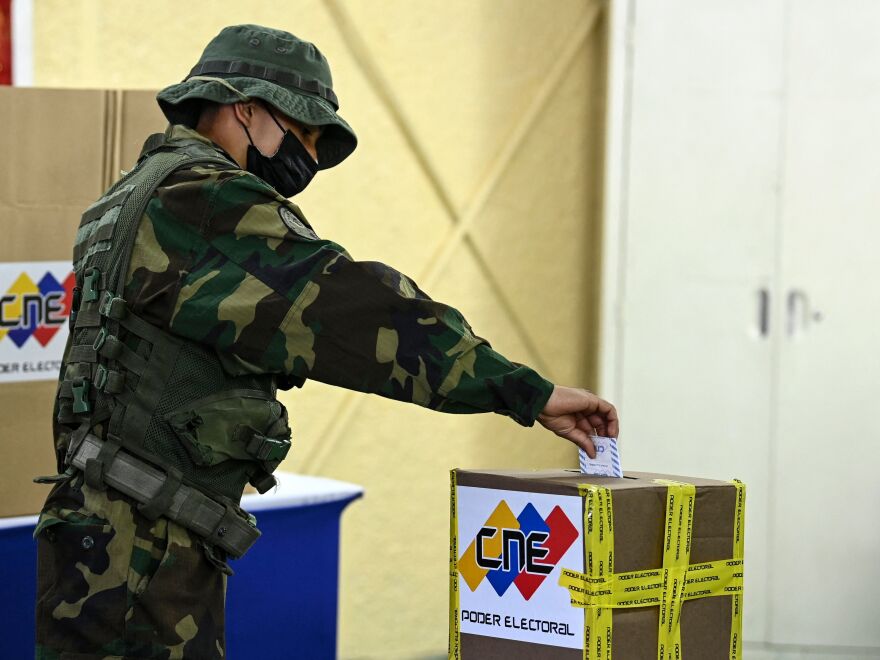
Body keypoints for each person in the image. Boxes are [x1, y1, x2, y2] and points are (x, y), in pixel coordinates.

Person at [34, 24, 619, 660]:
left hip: (103, 535)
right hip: (139, 555)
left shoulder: (128, 198)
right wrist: (525, 392)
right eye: (302, 133)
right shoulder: (207, 203)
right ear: (245, 107)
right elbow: (359, 317)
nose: (308, 156)